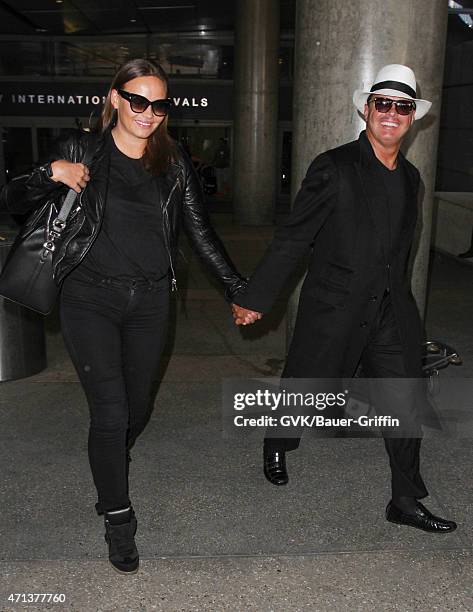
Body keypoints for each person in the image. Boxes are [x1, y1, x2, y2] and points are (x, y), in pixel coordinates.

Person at [1, 59, 246, 574]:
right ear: (114, 98)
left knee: (137, 409)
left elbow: (201, 233)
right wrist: (50, 174)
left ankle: (109, 464)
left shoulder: (174, 161)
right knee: (110, 413)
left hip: (151, 302)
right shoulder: (80, 150)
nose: (149, 114)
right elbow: (13, 199)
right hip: (89, 299)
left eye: (159, 105)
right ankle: (118, 516)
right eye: (138, 101)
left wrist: (237, 290)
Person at [231, 64, 457, 534]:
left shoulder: (412, 178)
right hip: (334, 305)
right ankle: (278, 439)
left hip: (391, 311)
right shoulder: (334, 167)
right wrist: (259, 295)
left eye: (403, 106)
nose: (392, 114)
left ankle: (405, 499)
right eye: (383, 104)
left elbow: (401, 250)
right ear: (366, 109)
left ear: (413, 117)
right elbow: (295, 237)